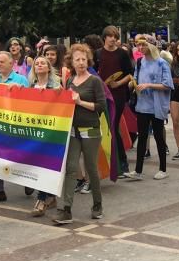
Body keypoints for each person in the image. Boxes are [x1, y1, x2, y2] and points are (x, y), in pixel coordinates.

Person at [53, 44, 106, 224]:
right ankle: (65, 209)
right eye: (78, 59)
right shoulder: (69, 81)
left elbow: (101, 107)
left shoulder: (95, 81)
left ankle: (97, 204)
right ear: (72, 62)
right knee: (71, 168)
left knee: (91, 169)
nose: (81, 62)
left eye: (84, 59)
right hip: (73, 130)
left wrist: (80, 102)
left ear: (88, 60)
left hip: (91, 130)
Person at [0, 51, 29, 203]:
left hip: (16, 126)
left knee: (21, 155)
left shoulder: (21, 79)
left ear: (11, 63)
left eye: (2, 61)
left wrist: (20, 90)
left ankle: (28, 181)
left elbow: (31, 102)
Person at [127, 37, 173, 181]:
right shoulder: (140, 62)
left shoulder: (162, 63)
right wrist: (132, 85)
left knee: (159, 137)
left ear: (151, 46)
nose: (140, 48)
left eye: (143, 45)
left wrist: (148, 85)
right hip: (142, 105)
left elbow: (168, 85)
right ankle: (138, 170)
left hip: (157, 106)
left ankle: (163, 169)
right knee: (142, 137)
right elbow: (135, 78)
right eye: (138, 45)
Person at [95, 26, 135, 175]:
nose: (113, 39)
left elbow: (129, 74)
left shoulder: (122, 54)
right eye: (110, 36)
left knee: (112, 126)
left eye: (115, 36)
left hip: (117, 94)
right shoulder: (98, 53)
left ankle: (122, 163)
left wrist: (118, 83)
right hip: (101, 94)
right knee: (103, 128)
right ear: (104, 37)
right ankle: (108, 161)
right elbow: (93, 72)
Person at [27, 55, 61, 216]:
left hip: (51, 132)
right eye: (37, 63)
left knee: (45, 164)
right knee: (39, 164)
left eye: (43, 63)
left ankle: (41, 200)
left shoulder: (55, 86)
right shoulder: (30, 86)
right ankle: (51, 197)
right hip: (35, 132)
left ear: (48, 67)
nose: (39, 65)